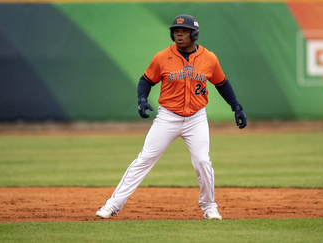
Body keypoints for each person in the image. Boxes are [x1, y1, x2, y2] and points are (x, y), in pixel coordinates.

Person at [96, 14, 247, 220]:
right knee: (145, 158)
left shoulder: (209, 58)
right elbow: (146, 80)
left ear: (194, 34)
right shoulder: (162, 57)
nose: (179, 35)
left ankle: (210, 207)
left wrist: (236, 107)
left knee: (202, 161)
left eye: (183, 31)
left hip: (196, 119)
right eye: (176, 31)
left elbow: (222, 83)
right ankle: (112, 205)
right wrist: (141, 98)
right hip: (168, 117)